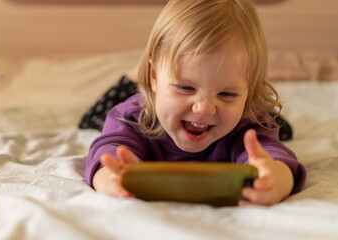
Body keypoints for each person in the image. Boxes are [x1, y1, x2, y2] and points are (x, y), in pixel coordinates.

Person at [84, 0, 306, 206]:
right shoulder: (130, 116)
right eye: (186, 87)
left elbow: (274, 156)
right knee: (92, 119)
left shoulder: (248, 124)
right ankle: (139, 75)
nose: (204, 108)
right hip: (146, 100)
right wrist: (110, 178)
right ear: (154, 76)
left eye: (227, 93)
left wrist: (275, 179)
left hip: (250, 109)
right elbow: (107, 149)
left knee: (275, 123)